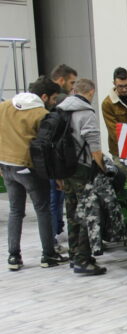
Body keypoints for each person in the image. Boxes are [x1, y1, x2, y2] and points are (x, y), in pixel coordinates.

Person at [0, 76, 68, 271]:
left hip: (6, 165)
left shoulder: (4, 106)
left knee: (15, 211)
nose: (54, 103)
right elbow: (46, 148)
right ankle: (48, 254)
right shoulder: (41, 114)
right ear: (44, 96)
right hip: (28, 167)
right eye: (53, 98)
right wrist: (57, 175)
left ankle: (14, 256)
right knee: (43, 209)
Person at [57, 78, 108, 275]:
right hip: (82, 169)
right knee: (88, 212)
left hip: (65, 169)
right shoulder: (86, 112)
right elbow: (94, 147)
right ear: (91, 92)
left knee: (71, 212)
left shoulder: (60, 110)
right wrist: (103, 168)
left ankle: (74, 255)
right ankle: (83, 259)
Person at [49, 64, 78, 248]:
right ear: (61, 80)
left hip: (51, 158)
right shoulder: (60, 101)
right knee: (55, 198)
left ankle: (56, 230)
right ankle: (52, 236)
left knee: (56, 198)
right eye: (72, 82)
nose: (73, 86)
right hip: (56, 159)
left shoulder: (50, 99)